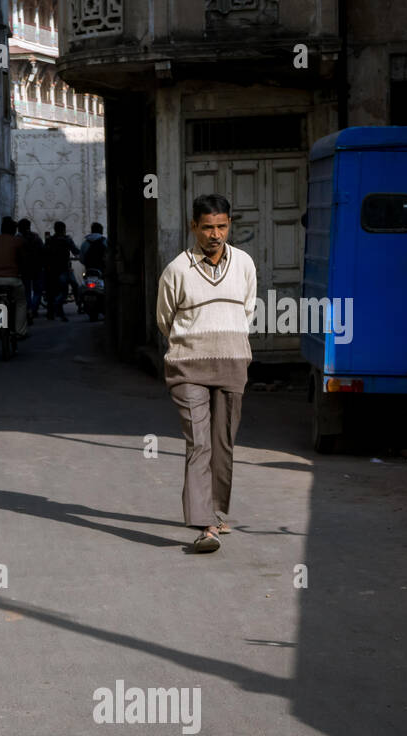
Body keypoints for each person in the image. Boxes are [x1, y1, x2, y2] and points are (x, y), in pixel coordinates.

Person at [155, 194, 256, 554]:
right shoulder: (176, 270)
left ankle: (217, 510)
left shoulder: (244, 263)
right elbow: (165, 320)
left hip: (232, 364)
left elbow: (246, 311)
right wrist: (193, 345)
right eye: (208, 227)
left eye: (222, 226)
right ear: (193, 226)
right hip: (188, 368)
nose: (215, 234)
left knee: (223, 442)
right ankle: (206, 526)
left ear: (230, 225)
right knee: (199, 442)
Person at [0, 216, 27, 339]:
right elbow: (23, 261)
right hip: (13, 280)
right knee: (21, 302)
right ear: (14, 230)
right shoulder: (18, 241)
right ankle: (20, 331)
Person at [43, 221, 79, 320]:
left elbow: (45, 254)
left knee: (51, 291)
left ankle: (51, 313)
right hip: (63, 269)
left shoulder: (50, 240)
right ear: (63, 229)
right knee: (68, 288)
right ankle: (78, 303)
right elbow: (76, 251)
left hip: (51, 270)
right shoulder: (67, 240)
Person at [16, 218, 45, 324]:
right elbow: (42, 251)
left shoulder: (17, 239)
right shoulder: (36, 237)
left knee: (27, 291)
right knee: (37, 291)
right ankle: (33, 310)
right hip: (37, 268)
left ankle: (29, 310)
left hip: (24, 269)